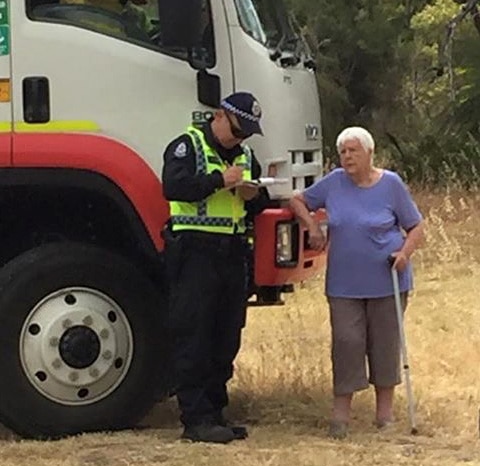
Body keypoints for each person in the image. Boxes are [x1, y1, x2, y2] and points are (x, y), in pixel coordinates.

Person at [289, 126, 424, 439]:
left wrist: (404, 253)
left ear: (369, 153)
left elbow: (416, 226)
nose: (347, 157)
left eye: (353, 151)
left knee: (385, 343)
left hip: (387, 278)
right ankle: (341, 415)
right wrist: (313, 227)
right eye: (343, 152)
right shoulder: (334, 182)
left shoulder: (391, 184)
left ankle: (385, 415)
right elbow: (297, 201)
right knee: (347, 343)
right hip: (344, 283)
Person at [162, 92, 268, 444]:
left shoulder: (246, 156)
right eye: (238, 130)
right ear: (220, 117)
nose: (242, 139)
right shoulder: (187, 146)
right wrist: (218, 181)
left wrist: (254, 197)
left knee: (226, 337)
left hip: (233, 253)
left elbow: (259, 201)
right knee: (195, 334)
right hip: (195, 252)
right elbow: (173, 186)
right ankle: (195, 419)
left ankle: (216, 413)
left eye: (248, 134)